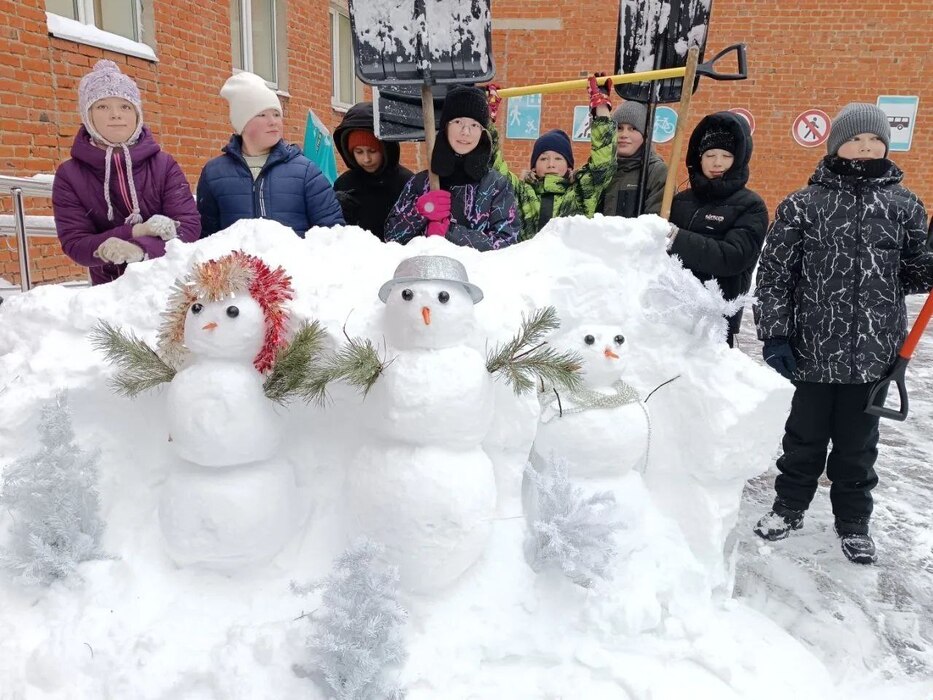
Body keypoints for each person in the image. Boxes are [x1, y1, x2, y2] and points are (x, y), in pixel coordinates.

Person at [753, 103, 933, 564]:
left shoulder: (904, 205)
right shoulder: (802, 205)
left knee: (858, 448)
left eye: (875, 141)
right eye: (857, 140)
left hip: (874, 354)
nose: (867, 147)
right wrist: (775, 336)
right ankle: (789, 506)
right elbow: (775, 275)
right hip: (810, 349)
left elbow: (913, 276)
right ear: (837, 145)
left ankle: (853, 521)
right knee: (802, 439)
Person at [52, 60, 200, 285]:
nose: (115, 115)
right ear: (87, 115)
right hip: (111, 292)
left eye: (125, 106)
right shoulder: (70, 175)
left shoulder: (163, 165)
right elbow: (76, 244)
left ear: (137, 114)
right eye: (102, 106)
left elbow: (188, 228)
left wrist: (139, 249)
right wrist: (136, 230)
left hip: (171, 284)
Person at [197, 72, 344, 238]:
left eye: (276, 114)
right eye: (262, 115)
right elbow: (206, 237)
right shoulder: (215, 173)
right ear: (242, 123)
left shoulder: (305, 171)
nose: (273, 121)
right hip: (240, 264)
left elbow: (333, 233)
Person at [665, 111, 768, 347]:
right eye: (710, 154)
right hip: (670, 316)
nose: (717, 162)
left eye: (726, 155)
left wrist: (676, 238)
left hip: (715, 321)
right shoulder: (680, 201)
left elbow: (732, 257)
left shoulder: (751, 206)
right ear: (698, 158)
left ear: (739, 159)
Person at [383, 85, 519, 250]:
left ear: (482, 131)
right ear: (446, 126)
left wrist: (449, 233)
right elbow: (391, 238)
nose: (465, 132)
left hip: (476, 275)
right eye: (458, 122)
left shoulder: (496, 186)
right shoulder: (420, 183)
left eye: (474, 125)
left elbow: (508, 243)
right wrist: (418, 212)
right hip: (426, 272)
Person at [486, 77, 617, 241]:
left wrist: (601, 108)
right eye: (543, 159)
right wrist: (487, 121)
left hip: (567, 264)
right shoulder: (521, 193)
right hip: (526, 264)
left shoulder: (580, 193)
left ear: (569, 166)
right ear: (534, 166)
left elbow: (603, 165)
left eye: (558, 158)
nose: (551, 164)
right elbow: (494, 165)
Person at [332, 102, 413, 241]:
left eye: (372, 151)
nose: (366, 159)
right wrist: (337, 211)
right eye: (359, 152)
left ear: (385, 149)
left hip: (397, 258)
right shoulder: (344, 183)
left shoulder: (407, 183)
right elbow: (331, 234)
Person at [599, 100, 668, 218]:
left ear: (645, 135)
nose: (624, 135)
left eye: (633, 129)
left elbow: (656, 224)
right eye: (619, 128)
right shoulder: (600, 169)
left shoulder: (656, 172)